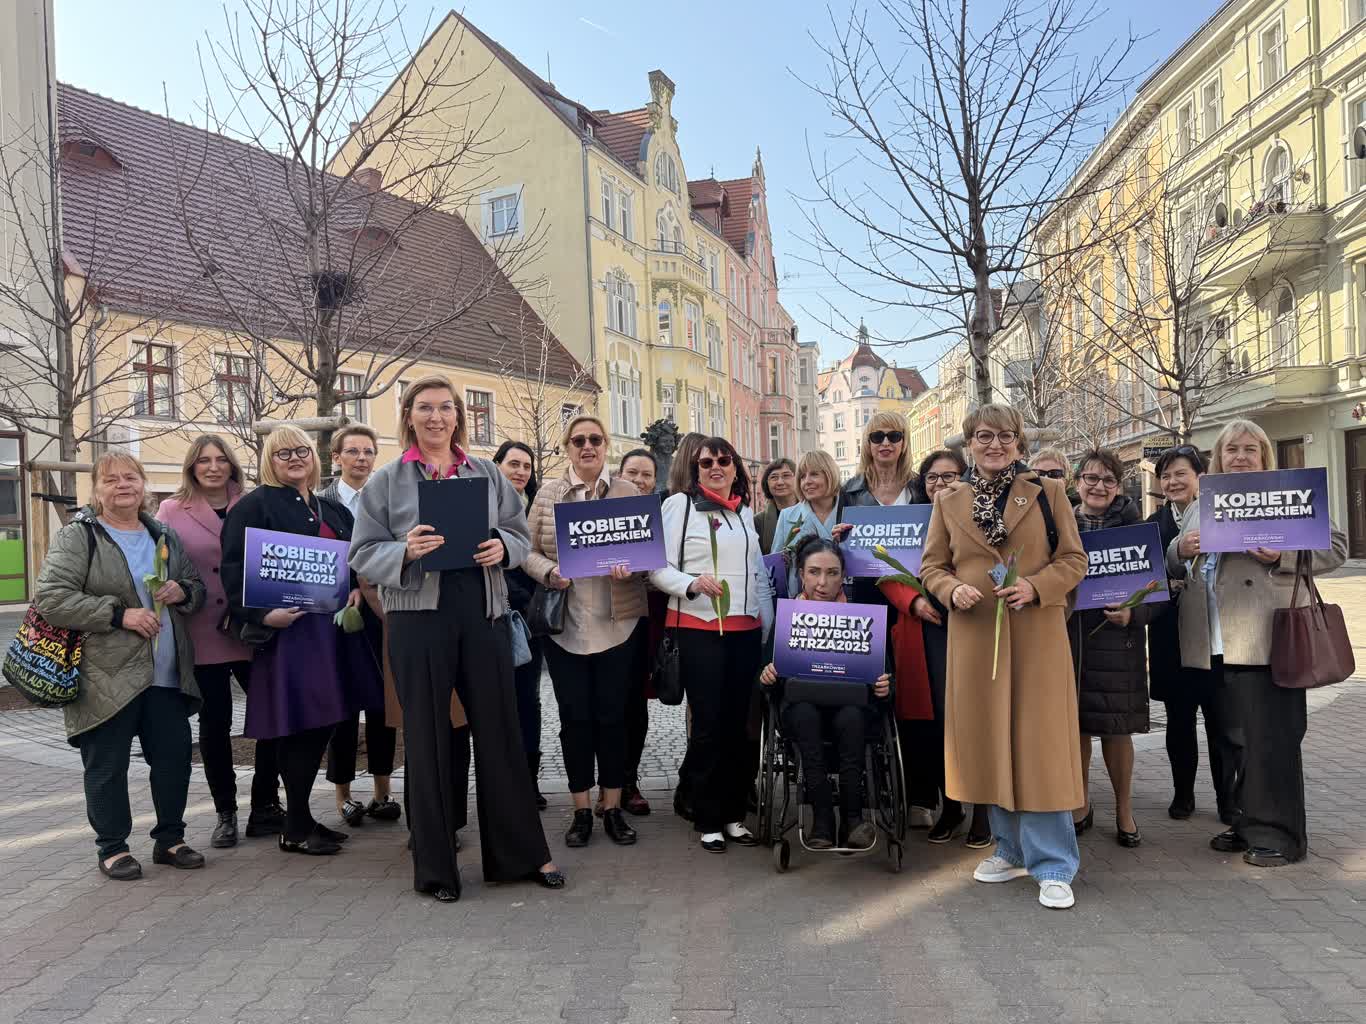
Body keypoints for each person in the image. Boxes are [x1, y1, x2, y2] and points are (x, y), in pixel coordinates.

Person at [349, 375, 562, 901]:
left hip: (482, 613)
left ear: (458, 416)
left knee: (500, 733)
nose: (436, 417)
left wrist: (503, 548)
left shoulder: (486, 472)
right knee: (427, 740)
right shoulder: (387, 481)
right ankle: (436, 867)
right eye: (425, 407)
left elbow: (518, 534)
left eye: (446, 408)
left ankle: (520, 856)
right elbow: (362, 553)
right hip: (418, 619)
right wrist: (404, 550)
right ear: (409, 415)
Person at [919, 403, 1088, 910]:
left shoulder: (1047, 492)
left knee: (1040, 744)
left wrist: (1036, 587)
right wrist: (951, 590)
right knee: (989, 739)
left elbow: (1074, 560)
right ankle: (1009, 850)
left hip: (1036, 636)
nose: (995, 445)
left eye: (1005, 436)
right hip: (976, 638)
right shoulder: (949, 500)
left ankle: (1053, 863)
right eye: (984, 436)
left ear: (1019, 442)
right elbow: (932, 567)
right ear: (969, 443)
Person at [1168, 419, 1346, 866]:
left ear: (1265, 455)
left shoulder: (1286, 495)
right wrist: (1180, 550)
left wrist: (1282, 554)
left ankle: (1281, 836)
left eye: (1250, 448)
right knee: (1235, 739)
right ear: (1218, 456)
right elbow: (1174, 556)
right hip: (1213, 640)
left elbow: (1337, 547)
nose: (1241, 457)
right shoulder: (1203, 500)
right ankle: (1249, 823)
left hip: (1265, 637)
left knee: (1271, 740)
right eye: (1232, 449)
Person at [34, 450, 207, 880]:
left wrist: (183, 591)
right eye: (111, 480)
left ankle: (170, 840)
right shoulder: (79, 536)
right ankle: (112, 847)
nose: (122, 485)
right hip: (104, 675)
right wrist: (118, 614)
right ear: (96, 489)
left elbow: (196, 587)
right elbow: (52, 599)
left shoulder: (163, 535)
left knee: (173, 762)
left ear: (143, 484)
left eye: (130, 477)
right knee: (107, 766)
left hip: (166, 673)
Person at [221, 425, 382, 858]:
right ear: (269, 461)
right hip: (291, 638)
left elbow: (353, 560)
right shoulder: (253, 506)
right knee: (301, 727)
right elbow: (233, 572)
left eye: (301, 451)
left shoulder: (331, 509)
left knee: (325, 722)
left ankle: (301, 819)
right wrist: (262, 615)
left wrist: (354, 587)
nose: (294, 459)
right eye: (283, 453)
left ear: (314, 457)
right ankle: (294, 825)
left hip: (333, 635)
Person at [525, 416, 648, 849]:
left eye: (595, 439)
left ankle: (611, 807)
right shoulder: (548, 494)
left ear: (606, 445)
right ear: (567, 447)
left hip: (618, 624)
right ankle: (580, 809)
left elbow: (649, 554)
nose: (587, 446)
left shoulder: (627, 492)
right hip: (566, 627)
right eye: (578, 440)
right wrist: (549, 571)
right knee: (574, 720)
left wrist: (634, 565)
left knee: (613, 719)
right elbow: (525, 551)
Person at [650, 436, 773, 853]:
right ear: (696, 469)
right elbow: (657, 568)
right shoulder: (679, 506)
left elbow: (757, 575)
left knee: (740, 727)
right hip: (699, 629)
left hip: (745, 632)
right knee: (708, 725)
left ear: (736, 468)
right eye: (707, 463)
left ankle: (735, 813)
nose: (716, 467)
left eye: (724, 460)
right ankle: (707, 816)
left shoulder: (744, 514)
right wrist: (690, 583)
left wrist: (766, 625)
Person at [157, 435, 279, 849]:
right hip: (202, 628)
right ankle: (225, 812)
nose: (213, 467)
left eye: (221, 459)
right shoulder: (171, 510)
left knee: (271, 717)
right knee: (214, 724)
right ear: (192, 467)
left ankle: (265, 804)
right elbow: (162, 564)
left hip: (253, 627)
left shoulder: (255, 503)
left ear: (232, 464)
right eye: (204, 460)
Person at [834, 411, 934, 829]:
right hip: (867, 600)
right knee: (872, 693)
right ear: (867, 443)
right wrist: (839, 540)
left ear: (905, 441)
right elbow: (841, 551)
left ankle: (922, 794)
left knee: (916, 696)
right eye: (878, 436)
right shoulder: (852, 491)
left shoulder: (920, 488)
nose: (886, 443)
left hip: (914, 600)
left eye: (894, 436)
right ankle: (878, 789)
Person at [759, 537, 890, 849]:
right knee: (804, 714)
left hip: (851, 708)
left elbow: (886, 673)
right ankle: (822, 818)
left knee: (852, 716)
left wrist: (886, 685)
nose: (822, 582)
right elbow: (765, 677)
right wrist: (767, 676)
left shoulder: (862, 617)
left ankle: (853, 817)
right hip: (801, 710)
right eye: (814, 572)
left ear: (843, 576)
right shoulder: (788, 616)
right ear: (801, 575)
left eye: (832, 573)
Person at [900, 449, 991, 848]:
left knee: (977, 718)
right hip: (930, 626)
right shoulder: (909, 518)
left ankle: (984, 812)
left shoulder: (982, 511)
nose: (940, 483)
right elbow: (885, 571)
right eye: (932, 477)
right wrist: (913, 601)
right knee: (941, 722)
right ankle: (951, 807)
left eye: (950, 475)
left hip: (975, 620)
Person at [1067, 448, 1150, 848]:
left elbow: (1157, 590)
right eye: (1091, 478)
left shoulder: (1136, 527)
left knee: (1117, 730)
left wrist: (1134, 614)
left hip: (1118, 642)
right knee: (1078, 727)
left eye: (1108, 480)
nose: (1098, 486)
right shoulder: (1061, 525)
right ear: (1077, 481)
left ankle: (1123, 809)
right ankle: (1080, 803)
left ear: (1118, 486)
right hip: (1071, 638)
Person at [319, 424, 401, 828]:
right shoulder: (320, 504)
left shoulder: (388, 500)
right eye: (352, 451)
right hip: (341, 617)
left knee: (384, 705)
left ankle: (383, 791)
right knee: (346, 708)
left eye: (368, 451)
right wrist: (344, 588)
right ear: (336, 458)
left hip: (384, 611)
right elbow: (318, 556)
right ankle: (344, 795)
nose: (362, 458)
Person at [1147, 445, 1232, 822]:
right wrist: (1176, 552)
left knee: (1221, 723)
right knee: (1179, 722)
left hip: (1217, 636)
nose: (1172, 482)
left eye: (1180, 473)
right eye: (1165, 476)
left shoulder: (1221, 513)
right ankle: (1183, 794)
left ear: (1200, 476)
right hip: (1171, 636)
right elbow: (1148, 576)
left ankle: (1228, 799)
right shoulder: (1155, 523)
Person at [494, 440, 547, 812]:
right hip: (492, 616)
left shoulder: (537, 507)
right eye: (513, 464)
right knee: (496, 704)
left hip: (529, 620)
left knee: (528, 701)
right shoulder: (485, 506)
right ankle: (501, 784)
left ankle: (529, 781)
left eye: (527, 466)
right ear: (497, 465)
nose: (521, 471)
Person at [618, 447, 659, 816]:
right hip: (606, 618)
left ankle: (628, 781)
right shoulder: (602, 511)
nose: (639, 480)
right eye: (633, 472)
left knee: (635, 703)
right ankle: (609, 785)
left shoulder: (661, 516)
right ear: (620, 474)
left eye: (646, 474)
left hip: (647, 619)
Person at [771, 451, 842, 595]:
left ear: (830, 475)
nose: (807, 481)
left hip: (845, 602)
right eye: (802, 476)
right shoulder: (787, 516)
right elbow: (774, 572)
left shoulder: (850, 511)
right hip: (801, 604)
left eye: (814, 474)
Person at [753, 458, 798, 553]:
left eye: (786, 476)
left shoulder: (810, 513)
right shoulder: (758, 522)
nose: (780, 482)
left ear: (798, 479)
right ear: (767, 483)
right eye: (774, 477)